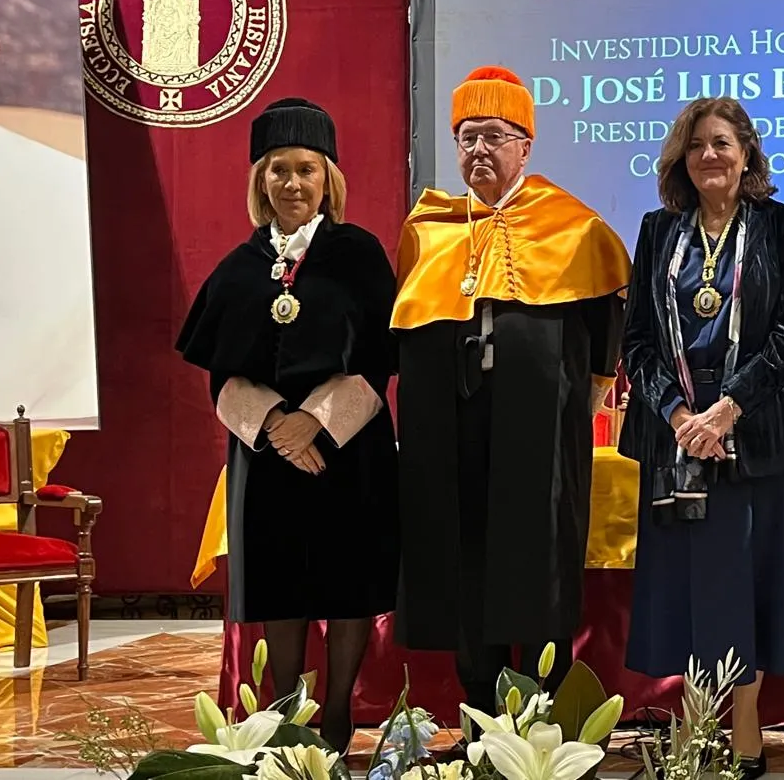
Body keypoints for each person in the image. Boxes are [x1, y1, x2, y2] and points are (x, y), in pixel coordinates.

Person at [391, 66, 631, 712]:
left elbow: (606, 318)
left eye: (494, 137)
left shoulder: (572, 227)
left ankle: (544, 715)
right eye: (467, 137)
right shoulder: (431, 227)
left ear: (525, 146)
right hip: (455, 422)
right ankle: (481, 710)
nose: (478, 151)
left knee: (542, 563)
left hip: (542, 426)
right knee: (466, 564)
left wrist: (587, 397)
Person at [175, 98, 398, 752]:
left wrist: (316, 423)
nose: (293, 184)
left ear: (328, 178)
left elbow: (381, 357)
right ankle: (286, 712)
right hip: (267, 456)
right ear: (259, 181)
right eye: (278, 170)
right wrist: (276, 423)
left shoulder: (357, 253)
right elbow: (219, 371)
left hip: (347, 453)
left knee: (348, 582)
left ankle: (336, 713)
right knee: (281, 582)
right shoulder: (239, 266)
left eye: (306, 169)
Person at [618, 97, 784, 780]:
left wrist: (725, 413)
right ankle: (699, 725)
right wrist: (678, 415)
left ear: (748, 154)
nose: (710, 156)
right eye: (696, 145)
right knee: (691, 589)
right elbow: (636, 339)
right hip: (677, 444)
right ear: (681, 158)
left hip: (754, 440)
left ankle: (749, 725)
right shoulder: (658, 231)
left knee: (750, 587)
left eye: (723, 143)